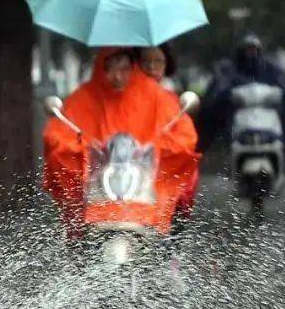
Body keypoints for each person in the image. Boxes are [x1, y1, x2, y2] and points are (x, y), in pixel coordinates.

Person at [43, 46, 200, 235]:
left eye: (124, 69)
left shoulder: (156, 96)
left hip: (142, 193)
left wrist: (158, 149)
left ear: (133, 67)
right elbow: (58, 136)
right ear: (101, 69)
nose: (117, 76)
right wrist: (81, 151)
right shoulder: (82, 99)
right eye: (110, 69)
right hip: (98, 194)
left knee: (170, 238)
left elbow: (183, 134)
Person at [195, 33, 285, 162]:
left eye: (254, 50)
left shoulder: (268, 68)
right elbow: (219, 87)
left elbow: (283, 80)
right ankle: (200, 149)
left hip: (266, 114)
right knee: (209, 109)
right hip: (237, 115)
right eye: (248, 50)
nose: (251, 54)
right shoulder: (230, 68)